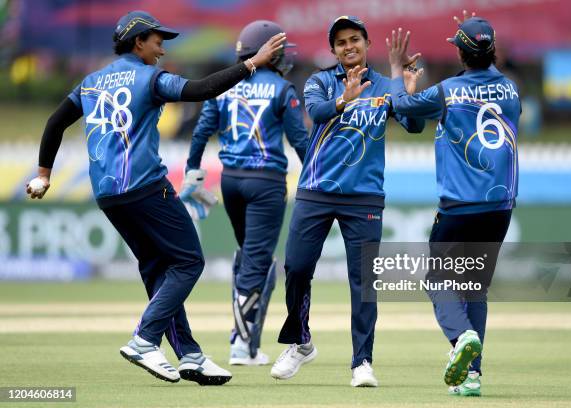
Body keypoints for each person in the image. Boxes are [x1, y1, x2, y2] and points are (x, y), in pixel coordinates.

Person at [25, 10, 285, 385]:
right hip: (147, 187)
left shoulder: (92, 82)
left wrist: (44, 175)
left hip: (109, 195)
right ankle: (145, 339)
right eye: (158, 41)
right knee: (189, 262)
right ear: (138, 42)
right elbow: (201, 90)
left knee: (158, 270)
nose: (162, 49)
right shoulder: (150, 78)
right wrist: (251, 65)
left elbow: (55, 122)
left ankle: (189, 354)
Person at [270, 15, 424, 387]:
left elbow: (415, 125)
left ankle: (362, 362)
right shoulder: (320, 81)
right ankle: (301, 342)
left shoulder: (387, 84)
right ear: (334, 50)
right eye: (341, 42)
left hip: (364, 197)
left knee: (364, 282)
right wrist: (344, 100)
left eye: (355, 39)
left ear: (367, 44)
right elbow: (318, 113)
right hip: (316, 191)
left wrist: (407, 90)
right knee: (296, 267)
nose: (349, 46)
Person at [387, 10, 521, 397]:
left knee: (438, 279)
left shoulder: (447, 91)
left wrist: (397, 71)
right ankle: (472, 376)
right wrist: (474, 39)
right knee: (474, 289)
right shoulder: (512, 90)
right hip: (499, 210)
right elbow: (483, 84)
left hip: (458, 209)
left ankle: (461, 336)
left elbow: (403, 107)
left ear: (461, 56)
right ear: (493, 52)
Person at [183, 20, 308, 366]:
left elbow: (201, 132)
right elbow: (300, 142)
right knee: (256, 258)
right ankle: (240, 342)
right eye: (279, 52)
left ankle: (247, 340)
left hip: (231, 182)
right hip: (266, 183)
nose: (284, 59)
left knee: (250, 256)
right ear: (267, 53)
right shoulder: (282, 89)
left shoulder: (225, 85)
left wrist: (193, 171)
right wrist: (318, 175)